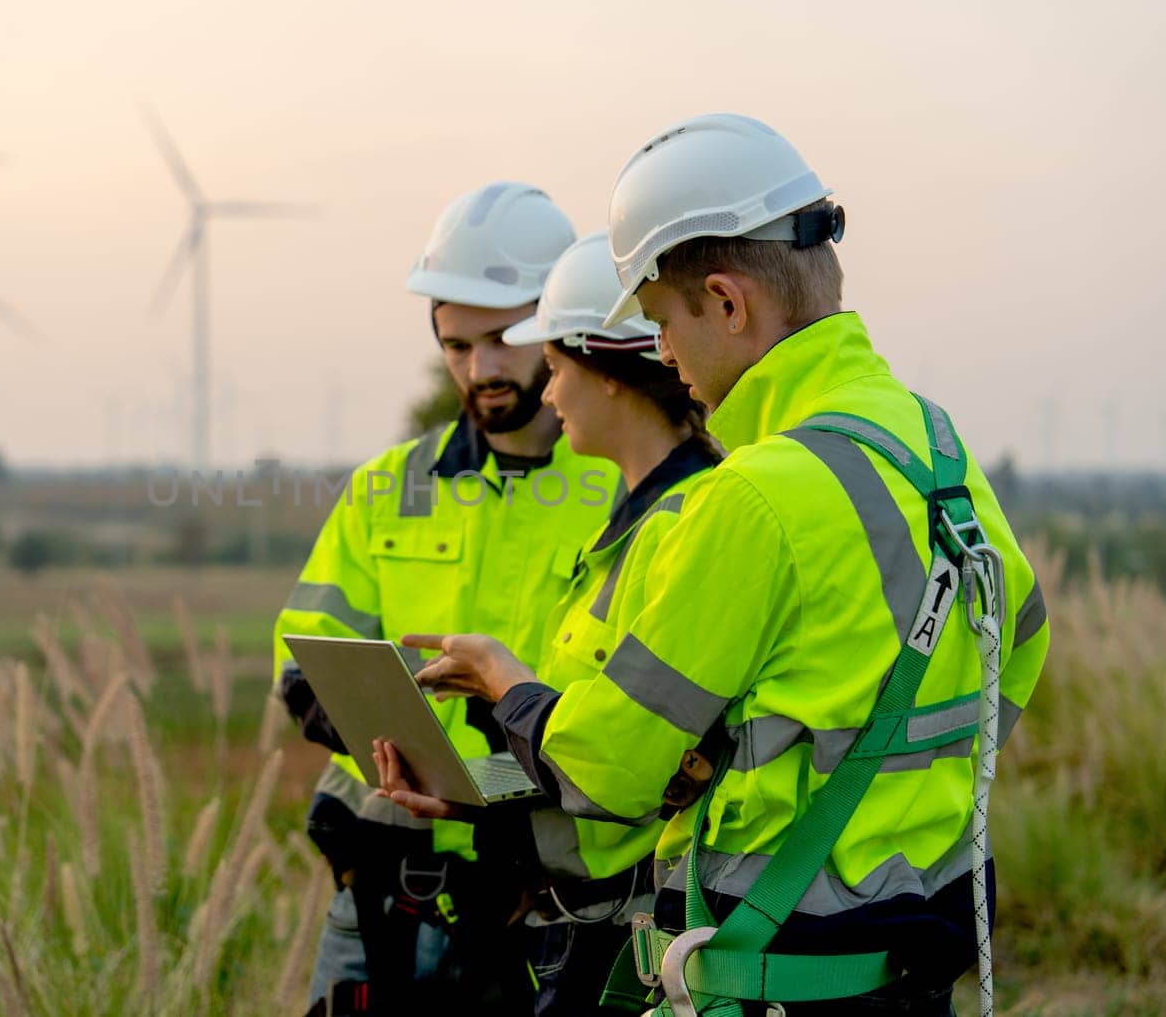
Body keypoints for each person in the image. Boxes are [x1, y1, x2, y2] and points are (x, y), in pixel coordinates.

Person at [376, 115, 1049, 1015]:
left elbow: (606, 769)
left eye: (659, 320)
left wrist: (506, 682)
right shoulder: (932, 443)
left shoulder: (756, 496)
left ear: (729, 304)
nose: (659, 355)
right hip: (912, 965)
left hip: (770, 974)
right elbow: (1021, 638)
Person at [272, 182, 621, 1016]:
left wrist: (498, 777)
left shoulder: (627, 486)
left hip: (550, 901)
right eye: (457, 344)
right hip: (386, 893)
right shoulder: (388, 487)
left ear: (563, 320)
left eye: (504, 338)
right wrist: (393, 749)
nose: (481, 368)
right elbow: (305, 661)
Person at [485, 230, 722, 1013]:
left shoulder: (687, 526)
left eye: (555, 369)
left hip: (635, 937)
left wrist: (500, 681)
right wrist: (462, 788)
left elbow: (639, 768)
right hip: (585, 926)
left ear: (611, 374)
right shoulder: (628, 524)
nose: (547, 395)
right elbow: (586, 738)